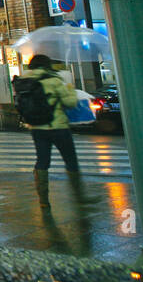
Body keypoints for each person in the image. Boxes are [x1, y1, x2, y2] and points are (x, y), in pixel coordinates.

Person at [14, 54, 91, 207]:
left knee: (42, 161)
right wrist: (69, 89)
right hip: (58, 127)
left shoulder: (23, 81)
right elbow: (70, 102)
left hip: (37, 128)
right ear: (47, 65)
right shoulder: (54, 80)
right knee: (70, 160)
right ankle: (79, 197)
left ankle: (43, 201)